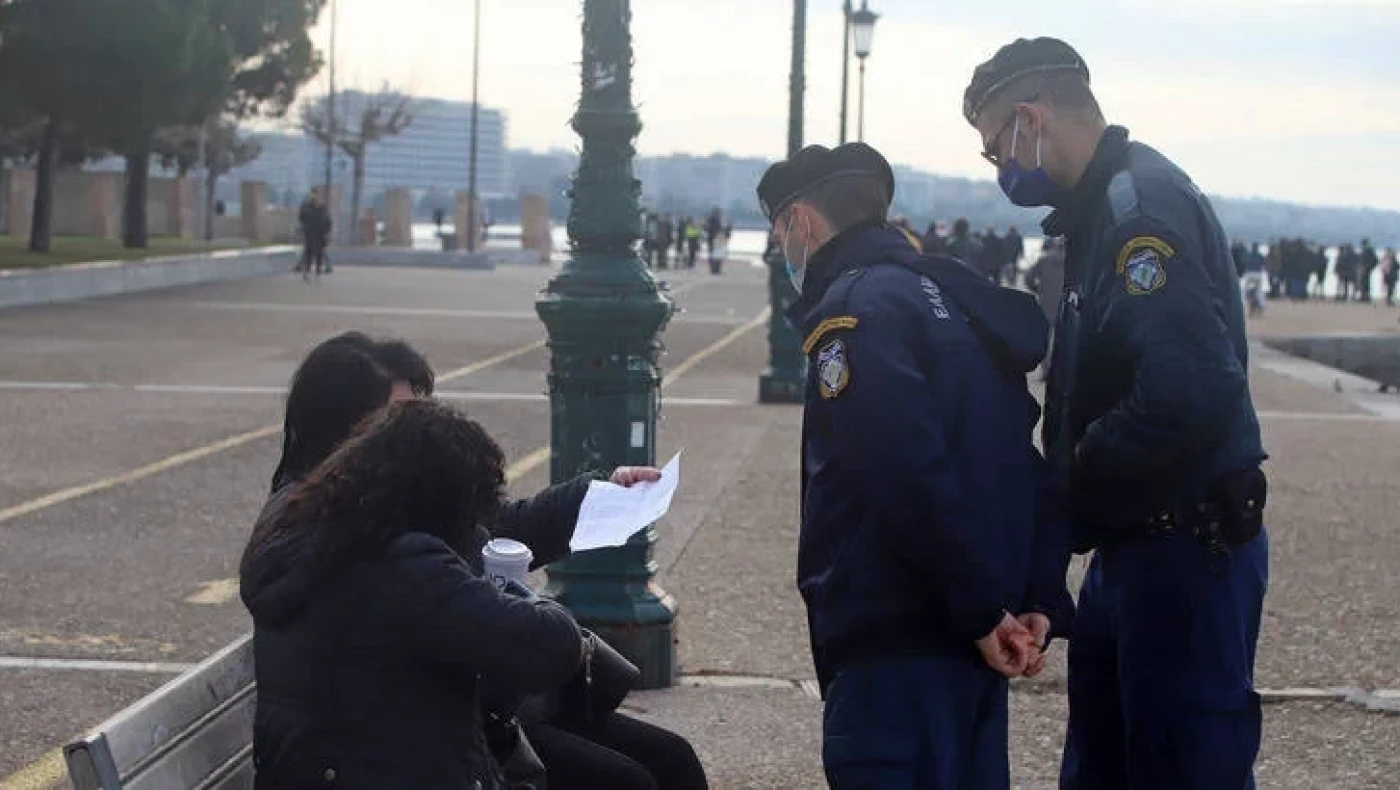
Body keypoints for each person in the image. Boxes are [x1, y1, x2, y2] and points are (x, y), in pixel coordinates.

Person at [966, 37, 1269, 789]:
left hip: (1182, 554)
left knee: (1181, 768)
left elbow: (1189, 390)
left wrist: (1076, 469)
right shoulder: (1098, 212)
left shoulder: (1140, 214)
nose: (1000, 167)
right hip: (1133, 554)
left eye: (996, 146)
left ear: (1030, 118)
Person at [757, 142, 1073, 789]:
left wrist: (983, 610)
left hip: (895, 640)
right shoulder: (955, 300)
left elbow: (900, 469)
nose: (781, 253)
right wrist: (1035, 594)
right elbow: (1020, 458)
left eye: (779, 234)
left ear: (803, 223)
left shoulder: (852, 314)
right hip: (979, 638)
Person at [264, 334, 710, 790]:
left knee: (671, 760)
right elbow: (531, 640)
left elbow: (490, 528)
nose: (414, 435)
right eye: (400, 420)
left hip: (441, 719)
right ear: (345, 430)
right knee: (627, 783)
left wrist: (597, 497)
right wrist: (524, 604)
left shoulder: (357, 508)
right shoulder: (356, 537)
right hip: (399, 750)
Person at [242, 399, 586, 790]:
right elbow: (552, 646)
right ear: (441, 503)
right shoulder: (405, 568)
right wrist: (524, 595)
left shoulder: (305, 542)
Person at [297, 190, 333, 278]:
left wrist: (327, 232)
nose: (315, 199)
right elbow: (302, 218)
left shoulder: (322, 208)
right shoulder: (306, 208)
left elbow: (328, 221)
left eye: (317, 197)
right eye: (313, 197)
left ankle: (318, 269)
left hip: (320, 234)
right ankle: (307, 269)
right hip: (310, 233)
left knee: (319, 252)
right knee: (308, 252)